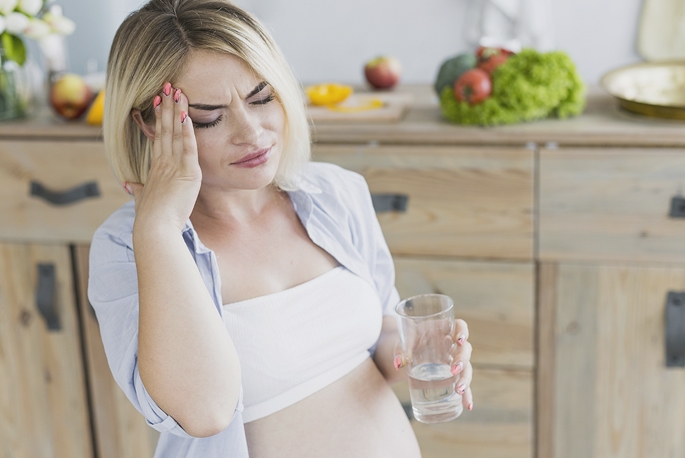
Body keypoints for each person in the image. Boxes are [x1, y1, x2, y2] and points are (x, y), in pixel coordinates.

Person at [88, 0, 474, 457]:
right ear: (150, 124)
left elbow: (379, 339)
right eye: (210, 116)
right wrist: (159, 230)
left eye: (262, 97)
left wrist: (422, 352)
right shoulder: (127, 247)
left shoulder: (334, 193)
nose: (252, 133)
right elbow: (205, 411)